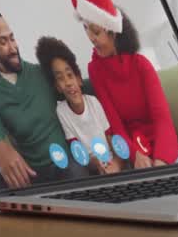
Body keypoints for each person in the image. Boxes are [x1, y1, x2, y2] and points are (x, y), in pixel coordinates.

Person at [69, 0, 178, 168]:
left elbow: (162, 118)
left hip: (164, 146)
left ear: (113, 32)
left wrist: (161, 160)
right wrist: (135, 155)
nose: (90, 38)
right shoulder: (96, 70)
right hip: (132, 151)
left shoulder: (141, 65)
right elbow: (114, 123)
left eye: (96, 31)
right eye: (86, 29)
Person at [0, 0, 89, 191]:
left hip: (66, 164)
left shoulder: (40, 72)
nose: (13, 47)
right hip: (31, 174)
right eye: (2, 41)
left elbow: (79, 86)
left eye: (12, 38)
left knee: (78, 175)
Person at [35, 36, 122, 176]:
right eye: (60, 78)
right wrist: (94, 163)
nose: (68, 83)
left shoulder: (93, 102)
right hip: (91, 168)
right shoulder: (62, 111)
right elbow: (77, 151)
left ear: (79, 79)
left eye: (70, 75)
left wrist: (117, 164)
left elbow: (110, 138)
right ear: (57, 87)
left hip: (111, 163)